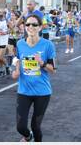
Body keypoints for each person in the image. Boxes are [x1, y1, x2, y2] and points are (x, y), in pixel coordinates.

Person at [12, 14, 56, 142]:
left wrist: (41, 63)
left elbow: (53, 70)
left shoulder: (48, 45)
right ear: (24, 27)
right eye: (28, 24)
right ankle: (28, 136)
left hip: (42, 92)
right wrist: (15, 71)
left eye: (34, 24)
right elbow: (17, 60)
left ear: (40, 27)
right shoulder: (20, 44)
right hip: (24, 91)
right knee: (20, 126)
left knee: (35, 126)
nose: (30, 27)